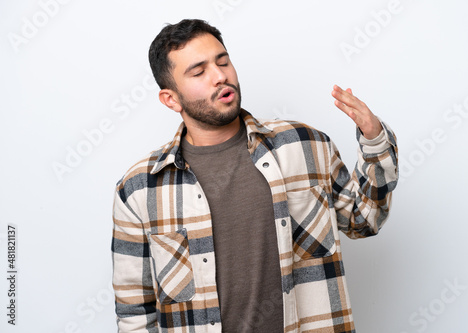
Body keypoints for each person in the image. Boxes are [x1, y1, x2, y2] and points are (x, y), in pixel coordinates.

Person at [111, 19, 398, 333]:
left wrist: (374, 141)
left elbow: (364, 220)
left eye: (223, 62)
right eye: (199, 71)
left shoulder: (304, 146)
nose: (220, 76)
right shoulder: (140, 189)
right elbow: (135, 313)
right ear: (171, 99)